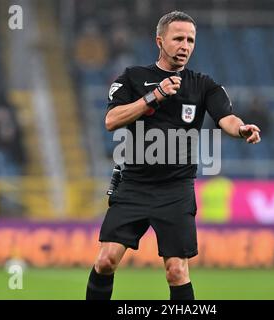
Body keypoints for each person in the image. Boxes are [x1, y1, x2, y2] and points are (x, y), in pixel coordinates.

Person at [85, 11, 261, 300]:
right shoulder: (133, 77)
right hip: (134, 185)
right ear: (160, 41)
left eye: (190, 40)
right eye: (178, 38)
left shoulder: (203, 84)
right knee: (105, 261)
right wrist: (153, 97)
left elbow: (225, 117)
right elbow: (111, 120)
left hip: (175, 190)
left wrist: (241, 129)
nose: (185, 45)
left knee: (177, 271)